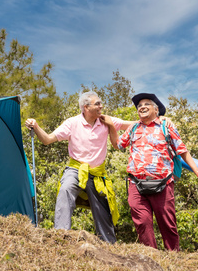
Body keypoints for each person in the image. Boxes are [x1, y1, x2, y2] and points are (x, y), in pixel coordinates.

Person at [25, 91, 136, 243]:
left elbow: (133, 124)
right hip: (76, 169)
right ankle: (60, 235)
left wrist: (159, 119)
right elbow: (47, 140)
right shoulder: (72, 123)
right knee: (66, 188)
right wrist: (36, 127)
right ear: (85, 107)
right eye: (97, 104)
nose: (101, 106)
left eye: (100, 103)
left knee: (103, 205)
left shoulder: (106, 121)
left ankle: (109, 244)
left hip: (97, 172)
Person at [107, 93, 198, 251]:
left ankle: (174, 258)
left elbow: (182, 150)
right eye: (139, 105)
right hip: (136, 183)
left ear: (156, 110)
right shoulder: (134, 128)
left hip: (163, 183)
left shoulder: (165, 126)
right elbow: (118, 145)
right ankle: (151, 257)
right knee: (142, 223)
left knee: (167, 224)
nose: (142, 107)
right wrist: (110, 126)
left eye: (146, 104)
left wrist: (197, 171)